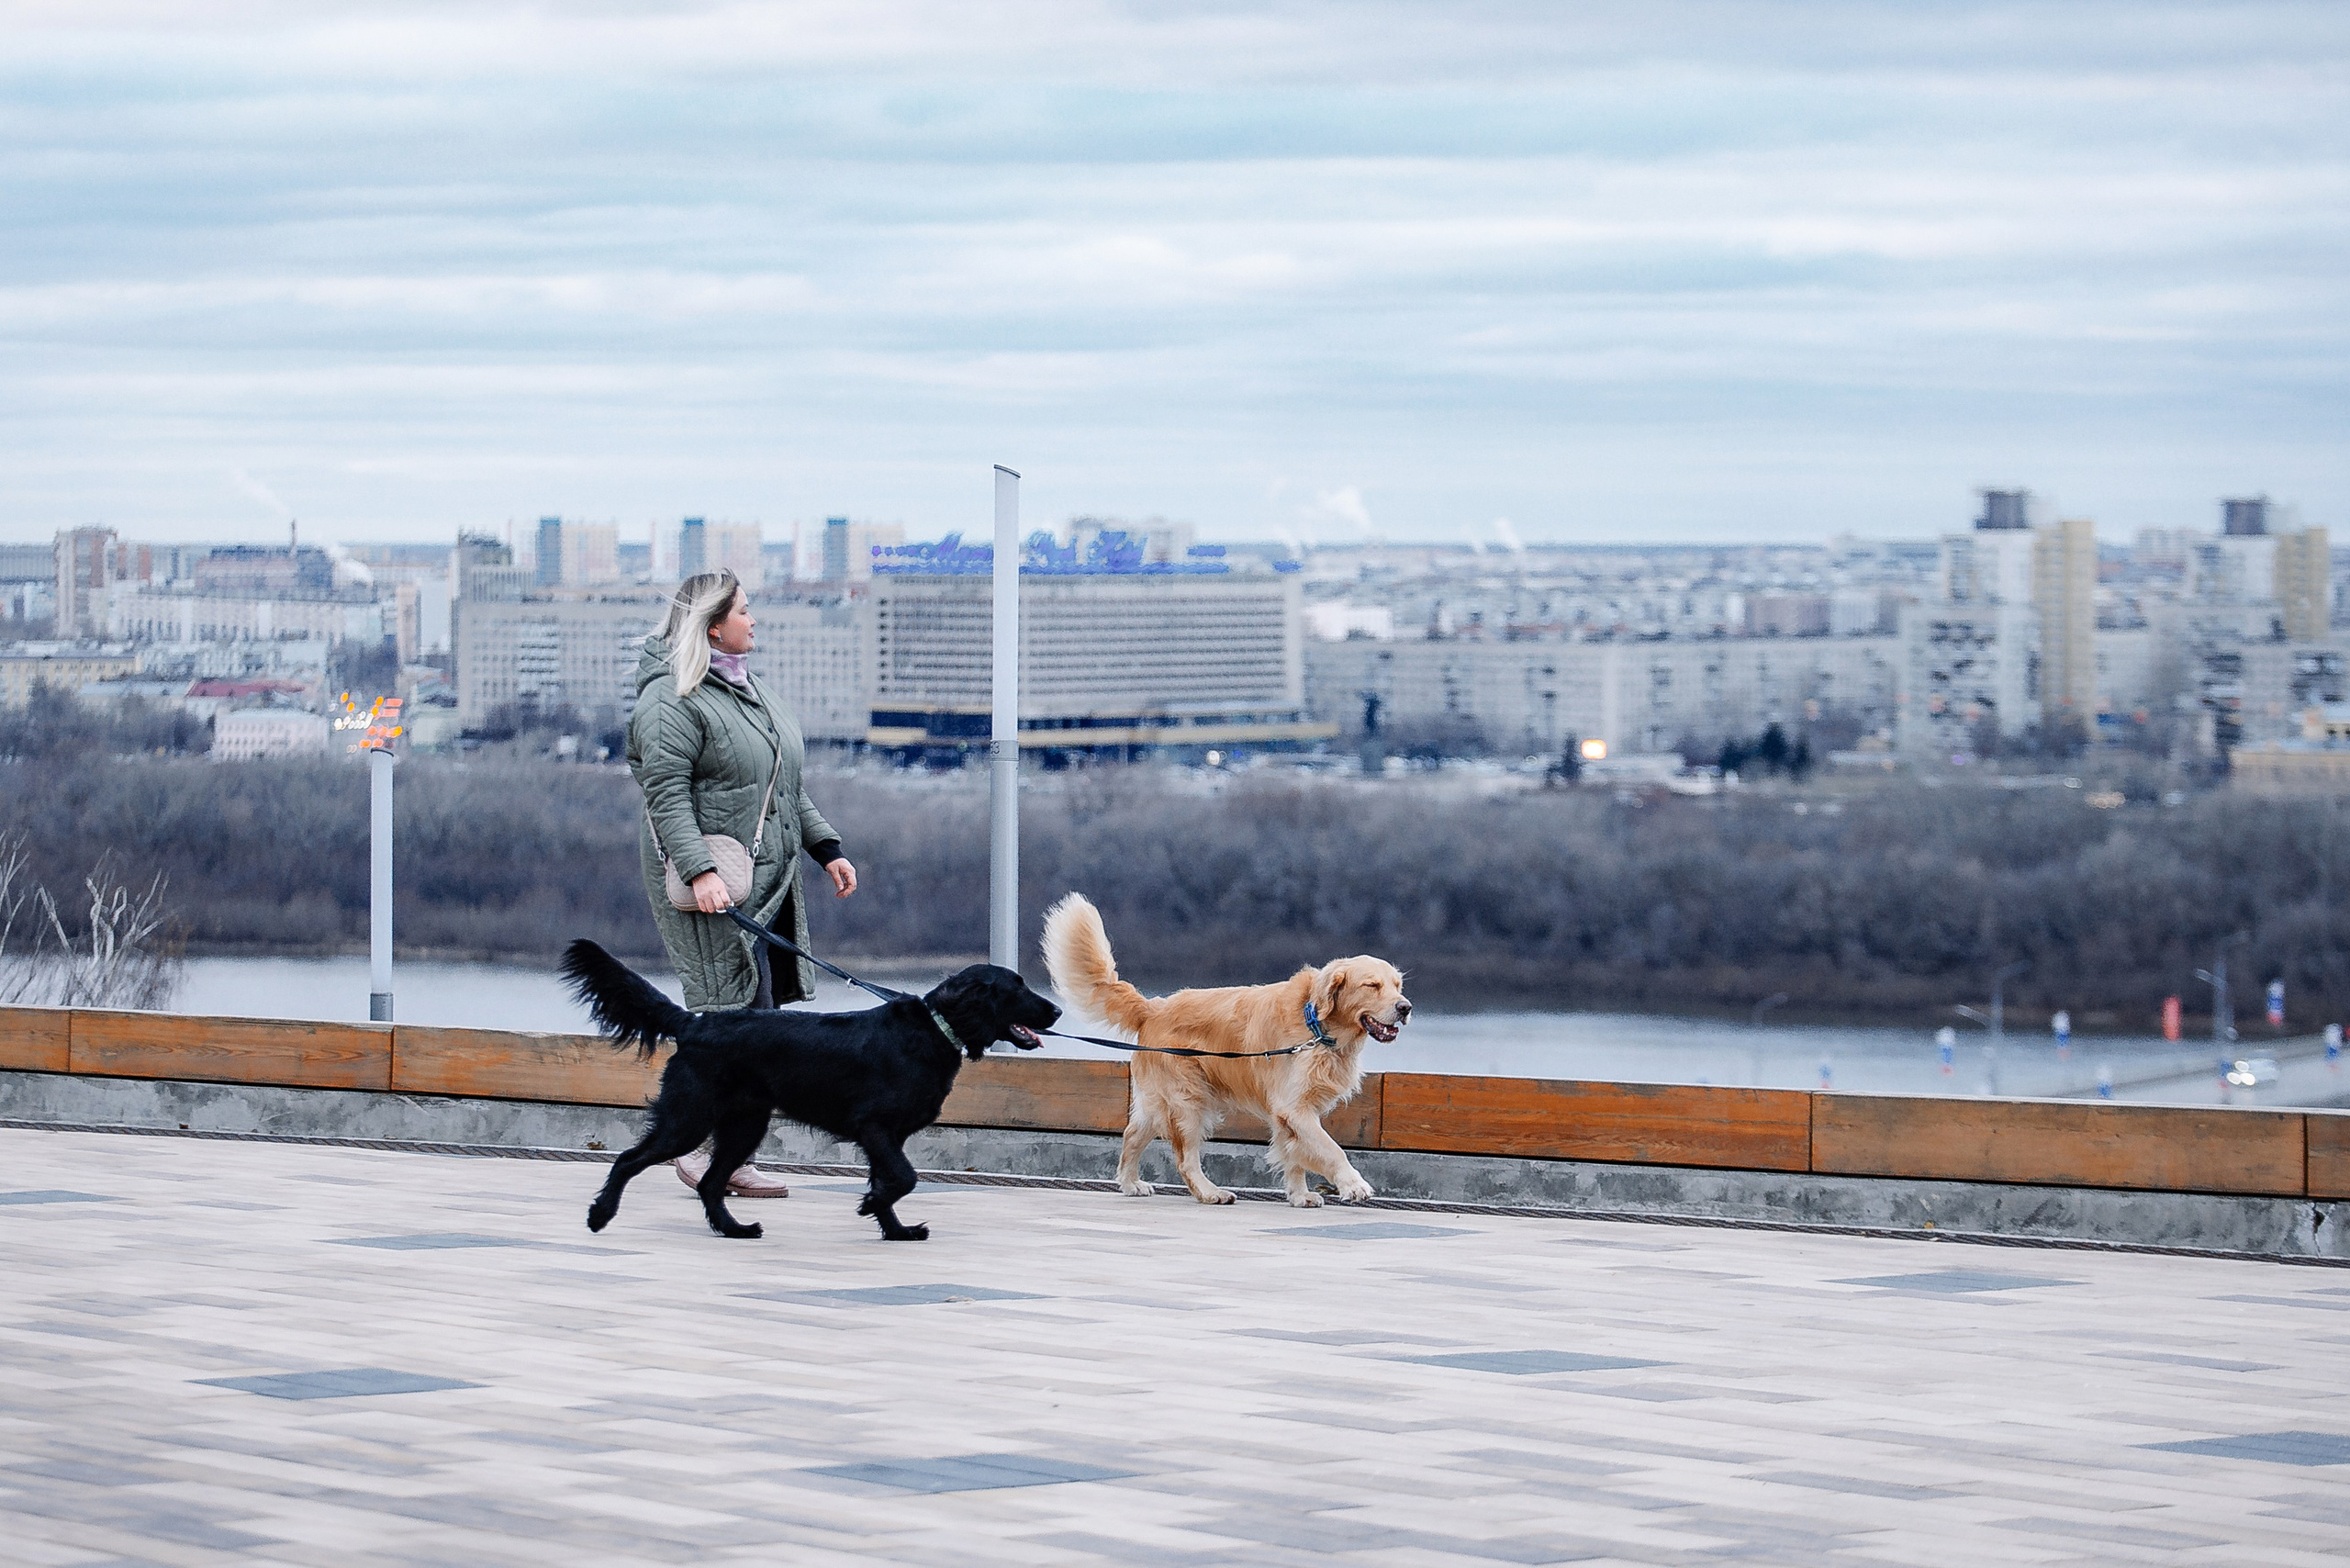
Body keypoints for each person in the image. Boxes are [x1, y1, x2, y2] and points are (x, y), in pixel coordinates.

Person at [627, 569, 858, 1198]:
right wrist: (700, 871)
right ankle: (705, 1152)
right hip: (714, 883)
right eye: (746, 612)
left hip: (767, 879)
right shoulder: (670, 699)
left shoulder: (745, 690)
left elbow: (782, 787)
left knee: (757, 1018)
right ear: (712, 626)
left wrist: (825, 847)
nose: (755, 621)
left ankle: (728, 1151)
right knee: (733, 1018)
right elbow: (666, 796)